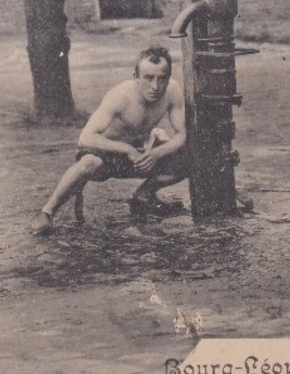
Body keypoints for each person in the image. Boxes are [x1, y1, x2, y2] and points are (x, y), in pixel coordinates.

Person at [30, 45, 187, 235]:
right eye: (148, 78)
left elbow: (181, 134)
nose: (155, 87)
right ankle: (47, 212)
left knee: (188, 159)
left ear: (169, 78)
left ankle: (143, 196)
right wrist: (126, 149)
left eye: (162, 79)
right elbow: (85, 138)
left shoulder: (172, 91)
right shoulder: (120, 96)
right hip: (107, 155)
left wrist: (155, 153)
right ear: (136, 77)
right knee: (89, 162)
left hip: (140, 156)